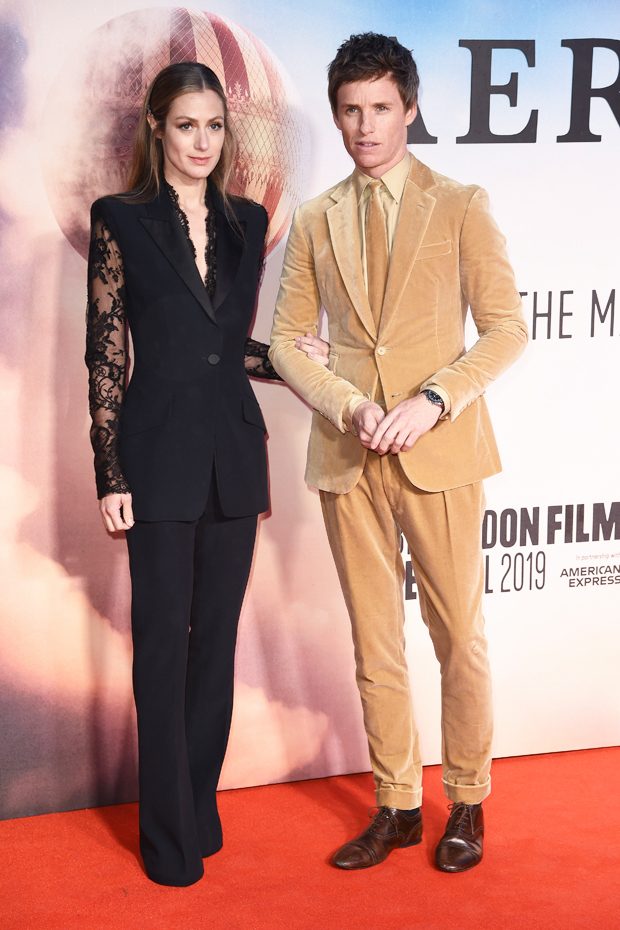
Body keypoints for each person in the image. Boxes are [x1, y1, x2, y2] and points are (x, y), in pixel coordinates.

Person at [270, 33, 528, 873]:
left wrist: (433, 400)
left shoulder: (460, 202)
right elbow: (283, 342)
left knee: (460, 637)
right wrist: (347, 404)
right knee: (375, 643)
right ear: (338, 114)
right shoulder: (314, 219)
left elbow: (506, 329)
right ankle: (397, 805)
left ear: (409, 108)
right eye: (350, 110)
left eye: (381, 108)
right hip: (351, 457)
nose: (365, 126)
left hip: (440, 450)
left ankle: (468, 802)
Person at [85, 62, 326, 887]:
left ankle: (196, 803)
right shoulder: (119, 218)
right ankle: (166, 837)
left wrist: (290, 361)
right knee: (160, 647)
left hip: (231, 453)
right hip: (152, 460)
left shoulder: (248, 220)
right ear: (157, 127)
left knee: (214, 647)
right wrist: (107, 472)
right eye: (186, 125)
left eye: (215, 127)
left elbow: (225, 347)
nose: (202, 142)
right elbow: (108, 350)